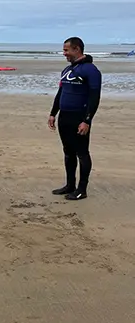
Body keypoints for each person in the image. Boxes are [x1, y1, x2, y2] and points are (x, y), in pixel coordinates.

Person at [48, 36, 101, 201]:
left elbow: (94, 97)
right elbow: (60, 93)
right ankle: (70, 185)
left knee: (82, 153)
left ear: (76, 49)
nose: (64, 53)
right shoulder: (66, 71)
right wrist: (53, 113)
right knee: (68, 152)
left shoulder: (91, 70)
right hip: (64, 117)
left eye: (66, 50)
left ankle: (81, 189)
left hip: (79, 118)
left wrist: (87, 121)